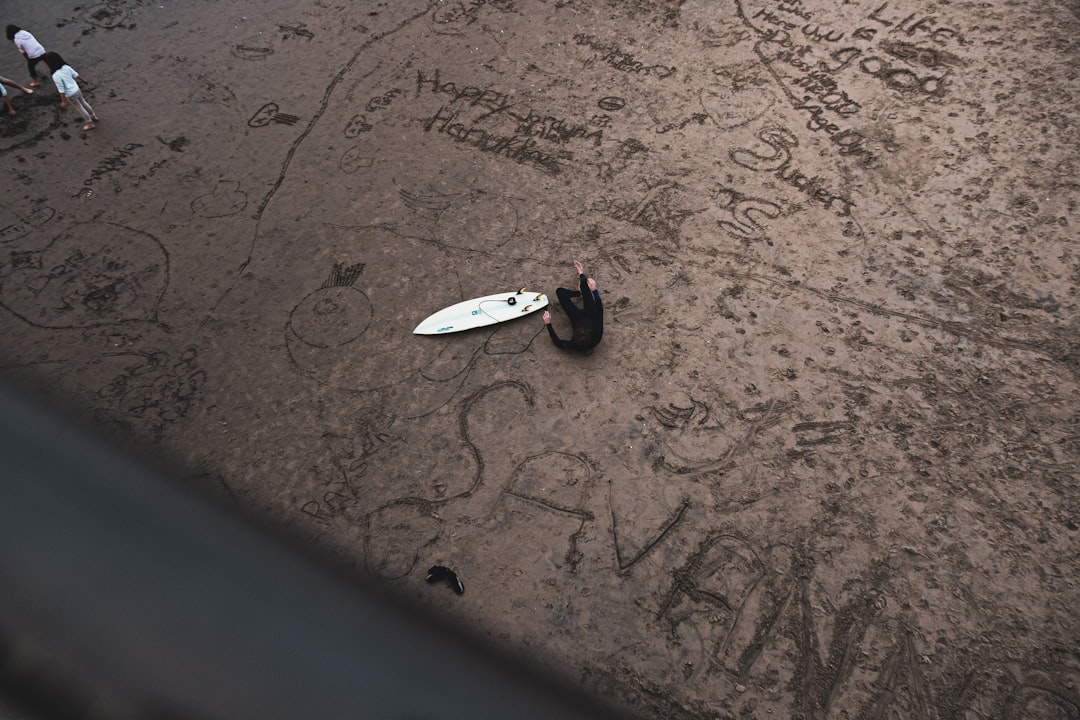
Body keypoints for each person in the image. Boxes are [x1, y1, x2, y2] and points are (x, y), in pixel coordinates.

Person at [542, 260, 603, 354]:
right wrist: (594, 290)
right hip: (591, 316)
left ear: (574, 336)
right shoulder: (597, 333)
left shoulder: (574, 345)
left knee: (560, 292)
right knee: (585, 286)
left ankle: (578, 292)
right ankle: (580, 273)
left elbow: (557, 342)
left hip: (576, 318)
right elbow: (599, 308)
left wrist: (548, 323)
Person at [44, 51, 97, 131]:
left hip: (70, 94)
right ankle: (93, 116)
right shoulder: (66, 67)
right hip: (77, 89)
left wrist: (64, 101)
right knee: (84, 102)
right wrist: (84, 80)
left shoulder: (55, 75)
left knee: (80, 108)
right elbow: (76, 75)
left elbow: (61, 90)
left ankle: (90, 123)